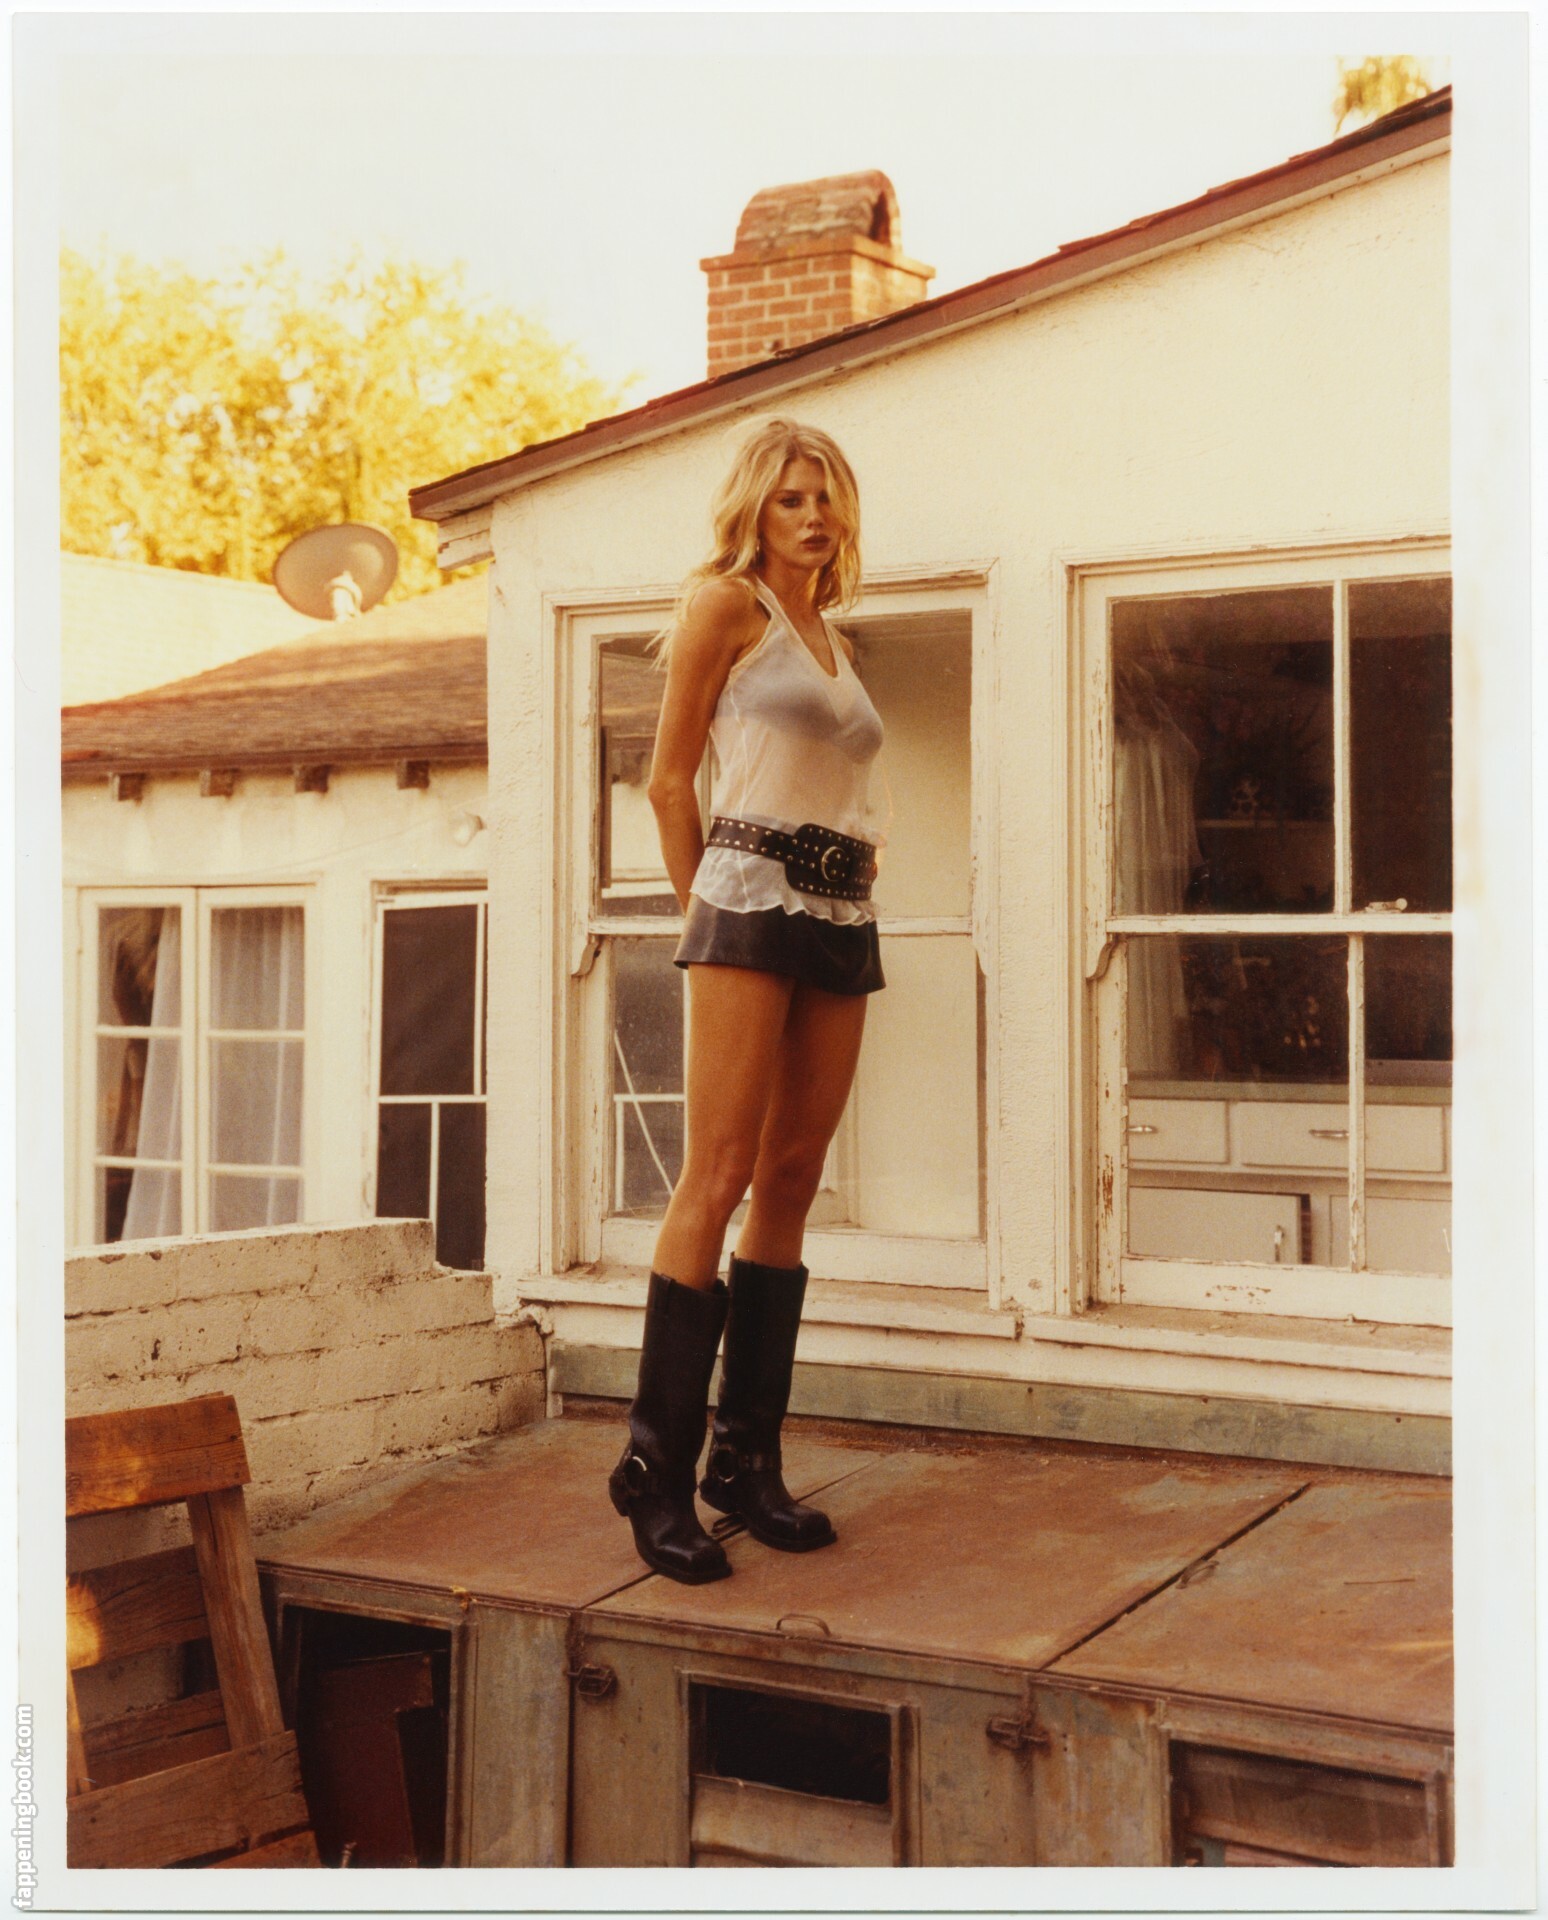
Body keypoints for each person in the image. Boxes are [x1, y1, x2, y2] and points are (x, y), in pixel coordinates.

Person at [608, 418, 889, 1584]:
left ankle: (745, 1461)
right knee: (716, 1174)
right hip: (746, 899)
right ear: (754, 511)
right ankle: (655, 1474)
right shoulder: (727, 606)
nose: (812, 517)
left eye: (825, 496)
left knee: (793, 1176)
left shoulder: (834, 636)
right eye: (789, 499)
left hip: (840, 908)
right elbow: (669, 780)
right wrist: (702, 917)